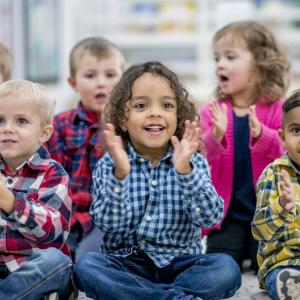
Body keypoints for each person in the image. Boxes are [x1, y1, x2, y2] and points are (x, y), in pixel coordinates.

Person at [73, 61, 241, 300]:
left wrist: (186, 173)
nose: (155, 112)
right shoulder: (111, 165)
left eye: (167, 105)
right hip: (128, 264)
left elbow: (210, 217)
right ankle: (174, 298)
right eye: (141, 105)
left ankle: (145, 296)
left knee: (226, 268)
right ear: (123, 118)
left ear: (178, 116)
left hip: (182, 264)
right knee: (87, 267)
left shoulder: (193, 162)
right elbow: (110, 225)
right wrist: (120, 177)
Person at [199, 20, 290, 272]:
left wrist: (263, 135)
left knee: (271, 262)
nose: (220, 64)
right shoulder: (211, 111)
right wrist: (214, 137)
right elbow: (198, 161)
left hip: (269, 214)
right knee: (220, 264)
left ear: (260, 64)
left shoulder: (278, 110)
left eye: (230, 57)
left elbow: (289, 157)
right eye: (217, 57)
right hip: (228, 218)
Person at [47, 36, 124, 260]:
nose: (101, 83)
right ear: (73, 83)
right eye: (90, 76)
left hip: (106, 220)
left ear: (123, 79)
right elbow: (51, 172)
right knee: (53, 259)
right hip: (64, 215)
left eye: (110, 75)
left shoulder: (129, 126)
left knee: (87, 261)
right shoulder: (59, 124)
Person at [0, 80, 72, 299]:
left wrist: (11, 203)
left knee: (56, 261)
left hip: (31, 266)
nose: (7, 128)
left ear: (44, 133)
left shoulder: (53, 173)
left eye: (21, 121)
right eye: (0, 120)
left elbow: (54, 232)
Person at [252, 89, 300, 300]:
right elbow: (259, 231)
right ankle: (292, 288)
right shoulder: (273, 174)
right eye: (297, 130)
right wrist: (281, 206)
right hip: (283, 263)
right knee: (285, 277)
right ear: (282, 137)